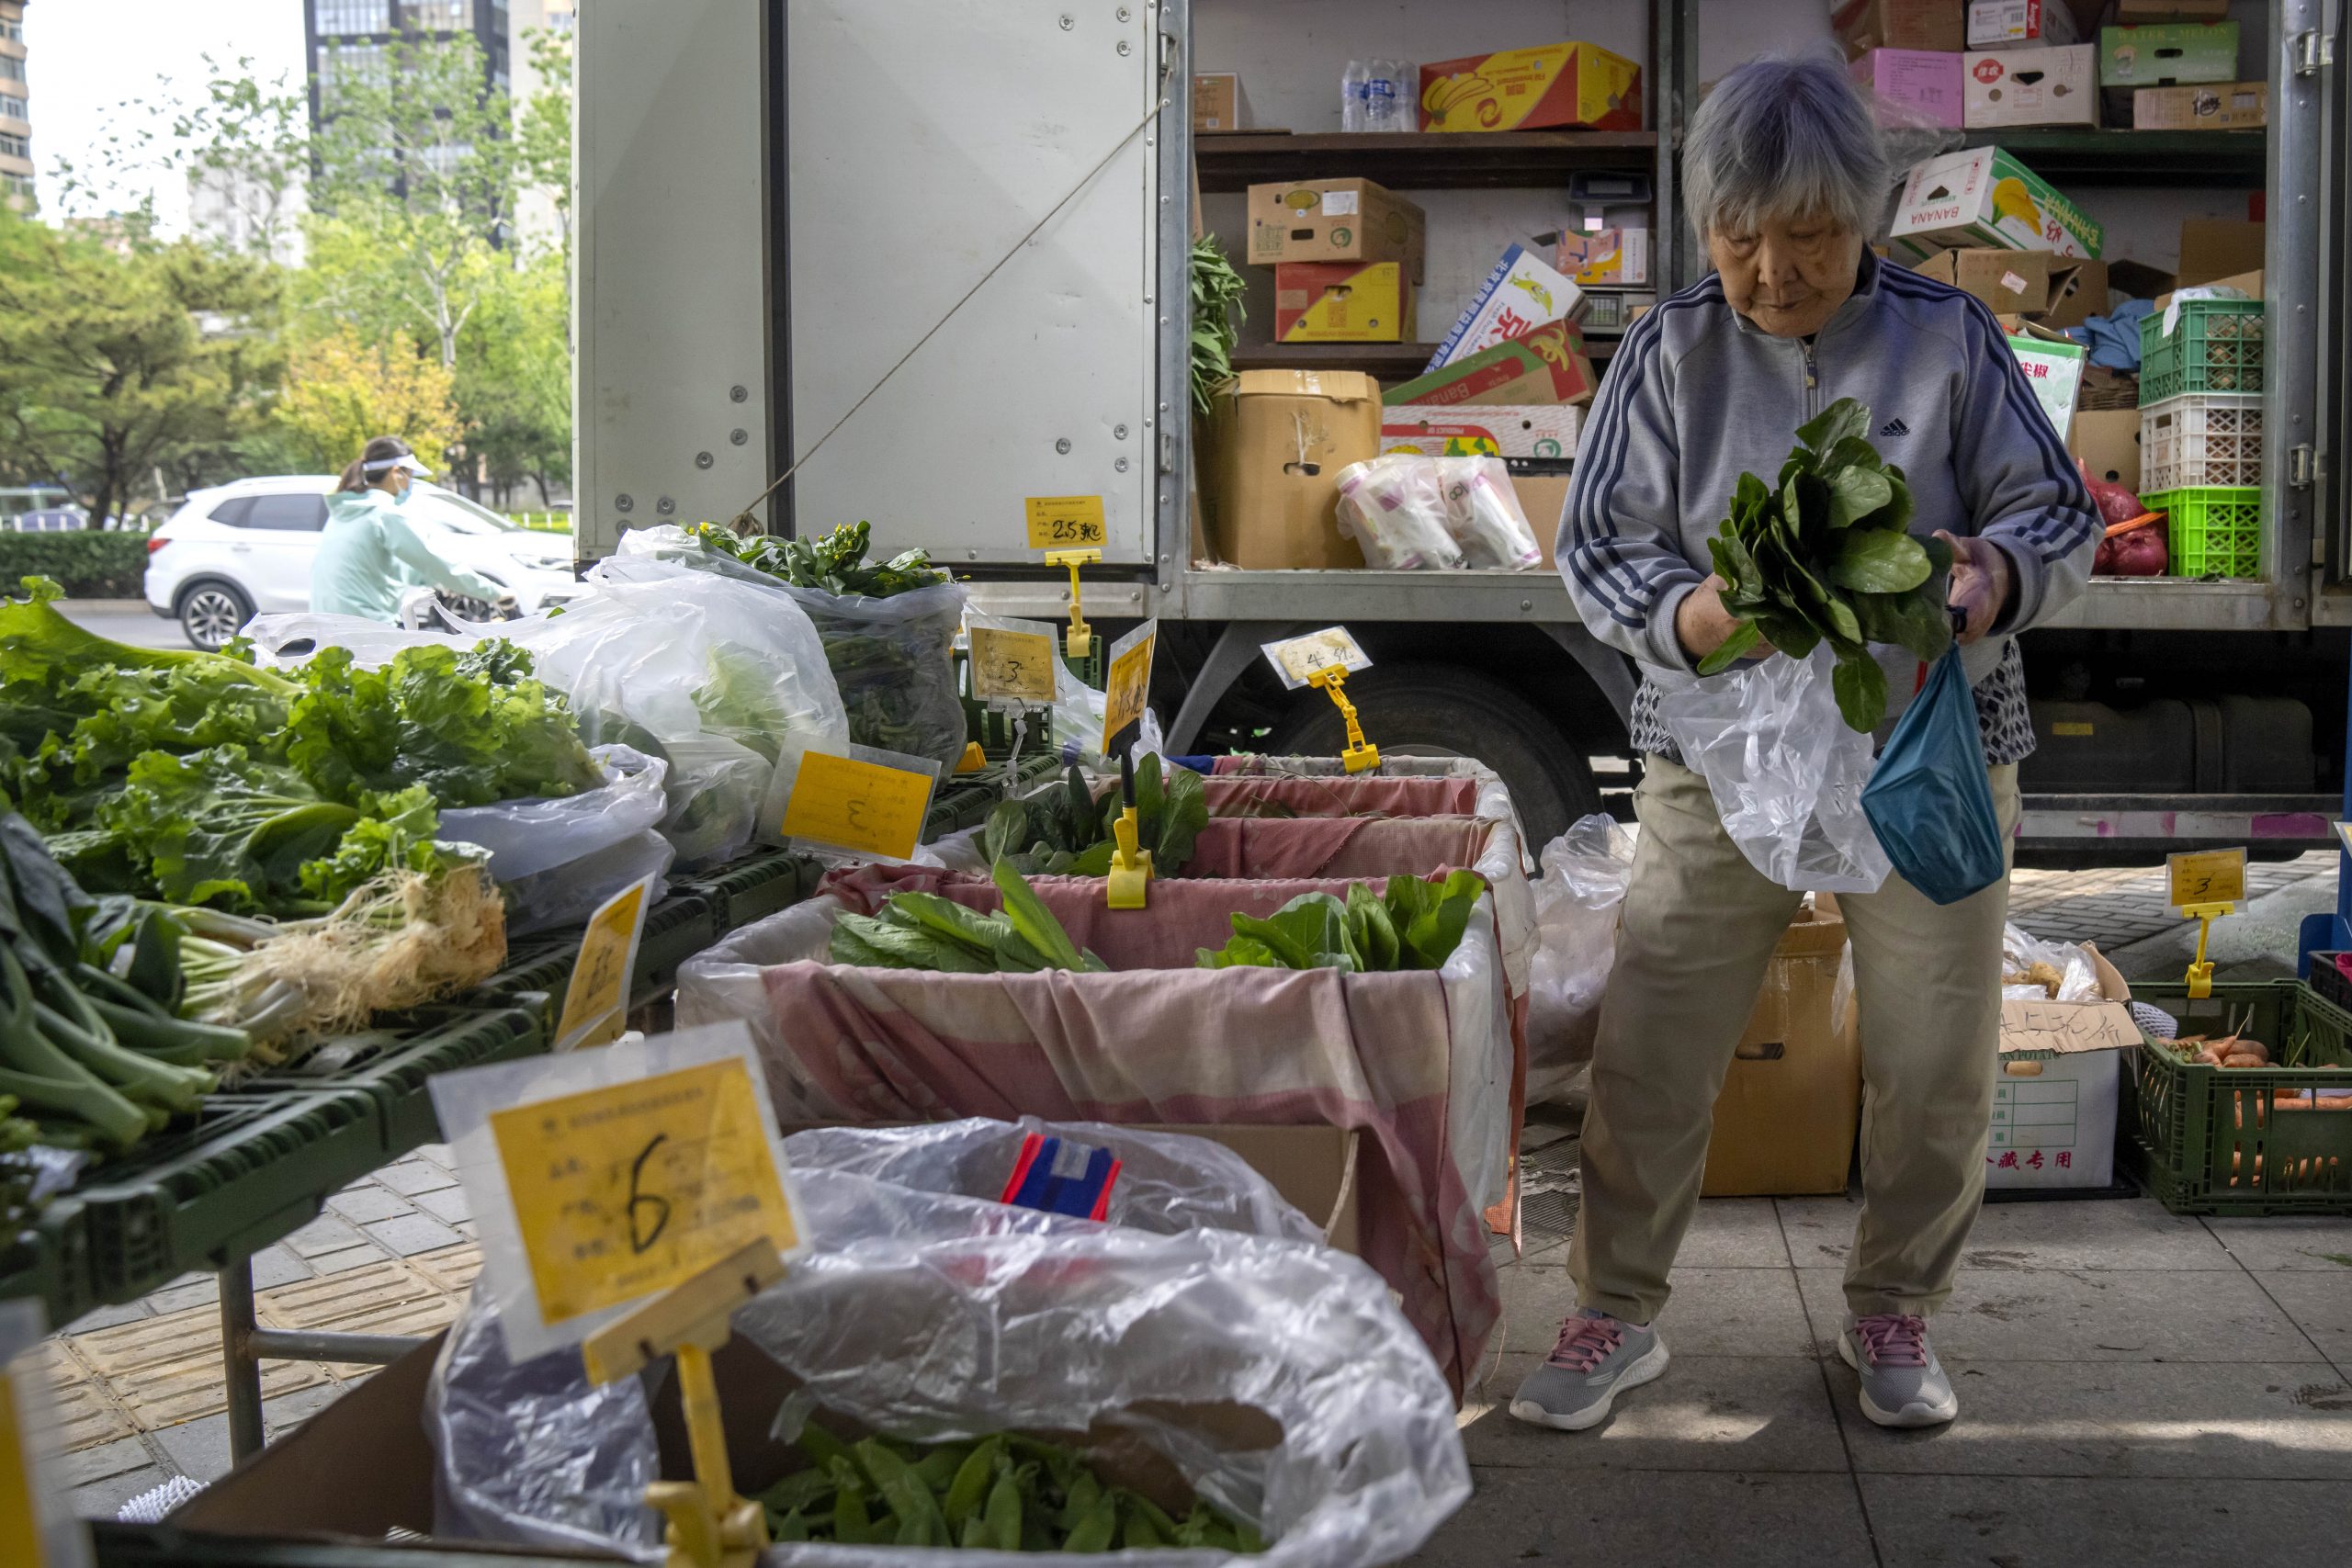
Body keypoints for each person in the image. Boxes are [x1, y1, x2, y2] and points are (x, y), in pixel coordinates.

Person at [1517, 55, 2098, 1434]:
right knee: (1656, 1037)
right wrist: (1693, 611)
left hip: (1929, 748)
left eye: (1812, 238)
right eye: (1740, 236)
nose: (1772, 271)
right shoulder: (1668, 352)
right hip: (1719, 754)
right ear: (1707, 222)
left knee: (1936, 1046)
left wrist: (1988, 582)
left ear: (1869, 220)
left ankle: (1894, 1303)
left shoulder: (1951, 336)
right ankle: (1617, 1307)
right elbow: (1594, 549)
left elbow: (2057, 515)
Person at [311, 435, 514, 623]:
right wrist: (495, 593)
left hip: (327, 628)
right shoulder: (385, 513)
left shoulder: (346, 511)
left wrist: (440, 582)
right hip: (367, 631)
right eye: (410, 475)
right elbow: (433, 561)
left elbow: (395, 568)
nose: (412, 483)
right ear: (396, 473)